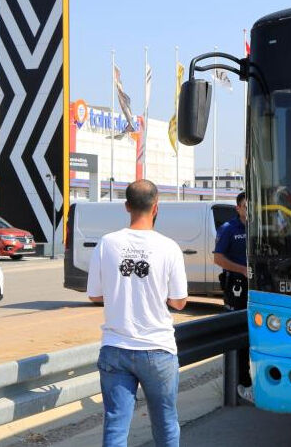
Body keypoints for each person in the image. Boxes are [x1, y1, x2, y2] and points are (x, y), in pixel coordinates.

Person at [87, 180, 188, 447]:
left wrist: (120, 291)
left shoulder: (106, 243)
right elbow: (179, 302)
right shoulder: (169, 247)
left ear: (127, 206)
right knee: (165, 423)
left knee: (115, 426)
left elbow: (94, 295)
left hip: (115, 348)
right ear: (156, 207)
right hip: (158, 349)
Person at [213, 191, 253, 402]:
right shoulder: (228, 228)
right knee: (239, 336)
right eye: (246, 206)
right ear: (238, 208)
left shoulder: (260, 228)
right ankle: (241, 384)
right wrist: (242, 270)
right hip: (237, 287)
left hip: (257, 287)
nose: (249, 210)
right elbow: (218, 258)